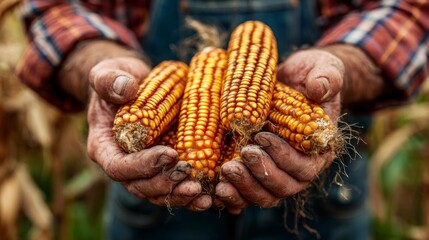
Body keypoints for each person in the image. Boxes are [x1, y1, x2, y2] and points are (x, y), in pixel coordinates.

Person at [16, 0, 429, 239]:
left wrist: (342, 69)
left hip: (324, 207)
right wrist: (102, 68)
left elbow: (409, 11)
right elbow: (56, 11)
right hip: (158, 201)